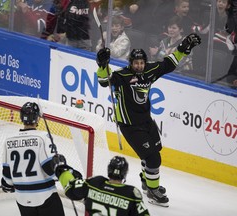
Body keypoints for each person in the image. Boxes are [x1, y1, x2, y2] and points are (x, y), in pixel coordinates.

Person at [95, 33, 201, 207]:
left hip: (146, 121)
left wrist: (184, 47)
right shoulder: (122, 76)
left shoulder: (150, 70)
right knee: (153, 159)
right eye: (136, 63)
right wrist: (102, 64)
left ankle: (146, 180)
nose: (139, 66)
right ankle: (153, 190)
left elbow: (169, 63)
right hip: (130, 126)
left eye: (141, 63)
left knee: (155, 150)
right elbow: (103, 81)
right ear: (130, 63)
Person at [1, 102, 65, 216]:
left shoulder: (8, 141)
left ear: (21, 118)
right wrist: (61, 168)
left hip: (22, 199)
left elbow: (7, 179)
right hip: (45, 197)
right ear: (37, 119)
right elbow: (50, 171)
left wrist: (7, 184)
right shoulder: (42, 138)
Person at [53, 155, 150, 216]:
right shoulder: (131, 193)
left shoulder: (95, 183)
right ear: (125, 173)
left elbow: (71, 189)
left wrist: (61, 169)